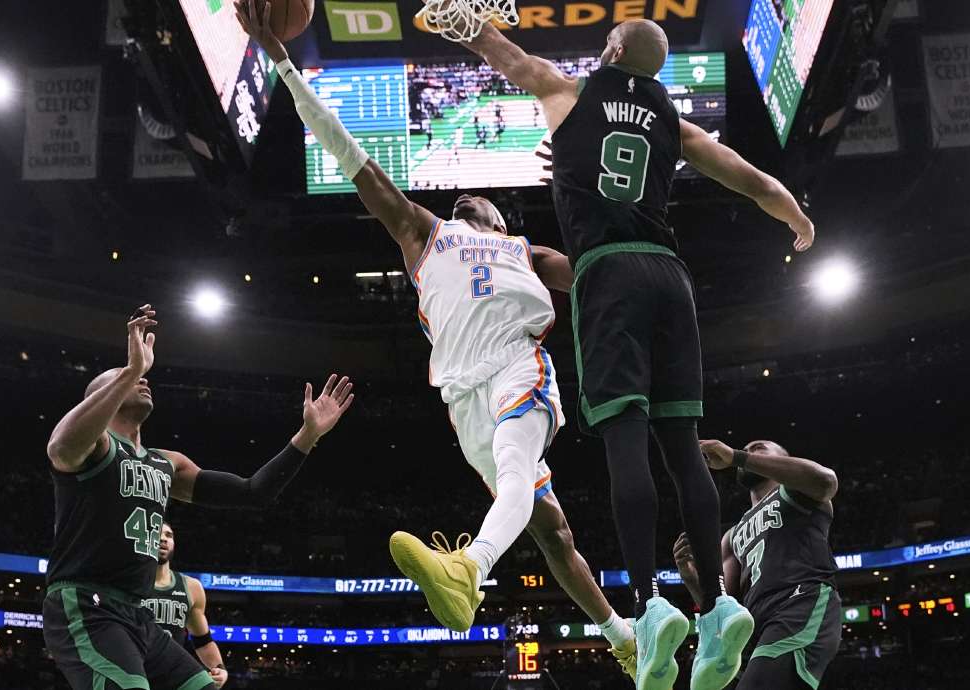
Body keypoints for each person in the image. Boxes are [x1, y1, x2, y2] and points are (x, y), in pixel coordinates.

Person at [234, 0, 639, 677]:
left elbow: (608, 276)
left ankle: (467, 569)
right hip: (461, 398)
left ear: (500, 214)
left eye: (476, 202)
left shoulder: (527, 252)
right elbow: (346, 149)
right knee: (551, 530)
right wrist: (279, 59)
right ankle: (625, 640)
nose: (464, 204)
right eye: (458, 201)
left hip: (518, 363)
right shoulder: (426, 235)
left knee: (516, 470)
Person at [456, 17, 815, 690]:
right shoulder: (673, 124)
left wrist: (468, 24)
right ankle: (717, 607)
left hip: (608, 273)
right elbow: (750, 179)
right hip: (669, 277)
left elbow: (505, 56)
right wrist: (797, 219)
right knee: (683, 446)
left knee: (625, 440)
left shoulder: (569, 92)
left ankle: (650, 606)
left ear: (611, 49)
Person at [42, 304, 353, 690]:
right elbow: (60, 446)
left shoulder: (166, 463)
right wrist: (130, 370)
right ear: (103, 396)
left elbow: (253, 492)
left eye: (140, 377)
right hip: (86, 603)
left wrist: (308, 436)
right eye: (123, 379)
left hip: (136, 614)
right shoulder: (95, 447)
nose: (143, 380)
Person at [674, 440, 842, 690]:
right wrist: (689, 577)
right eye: (747, 448)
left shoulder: (795, 492)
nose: (750, 450)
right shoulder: (732, 535)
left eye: (759, 447)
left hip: (799, 602)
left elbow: (826, 481)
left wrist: (737, 456)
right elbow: (724, 604)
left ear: (783, 458)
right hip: (755, 624)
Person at [139, 522, 228, 688]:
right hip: (134, 668)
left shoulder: (191, 587)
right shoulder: (128, 582)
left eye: (168, 535)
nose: (163, 539)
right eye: (158, 534)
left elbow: (203, 640)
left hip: (170, 674)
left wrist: (219, 668)